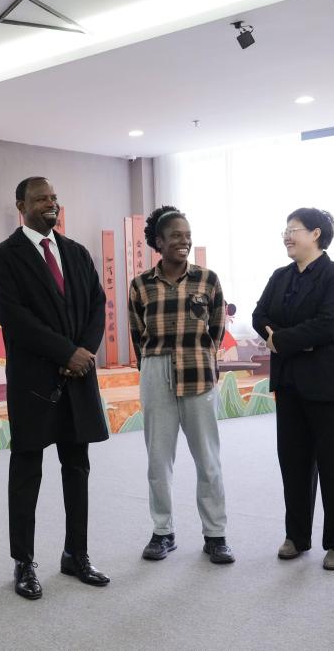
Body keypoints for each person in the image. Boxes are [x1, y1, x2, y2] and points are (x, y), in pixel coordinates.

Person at [0, 176, 111, 600]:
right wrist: (66, 353)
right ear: (21, 206)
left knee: (77, 468)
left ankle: (76, 554)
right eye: (41, 199)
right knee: (27, 472)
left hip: (78, 378)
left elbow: (97, 305)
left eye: (54, 197)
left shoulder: (76, 252)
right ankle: (23, 562)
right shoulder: (2, 258)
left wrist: (84, 353)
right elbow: (14, 318)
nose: (50, 204)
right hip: (34, 383)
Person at [252, 207, 334, 571]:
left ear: (315, 234)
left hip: (331, 384)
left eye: (293, 229)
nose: (287, 235)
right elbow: (259, 316)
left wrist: (281, 340)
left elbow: (329, 324)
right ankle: (296, 536)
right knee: (294, 463)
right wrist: (289, 338)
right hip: (290, 382)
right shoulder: (280, 276)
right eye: (285, 230)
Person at [128, 206, 235, 565]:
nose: (183, 241)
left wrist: (198, 355)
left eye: (187, 236)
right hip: (156, 371)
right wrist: (155, 365)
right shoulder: (140, 285)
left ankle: (216, 535)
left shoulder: (208, 280)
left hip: (198, 371)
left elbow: (216, 331)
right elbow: (138, 334)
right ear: (158, 242)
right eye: (176, 235)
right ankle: (163, 532)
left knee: (208, 460)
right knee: (158, 461)